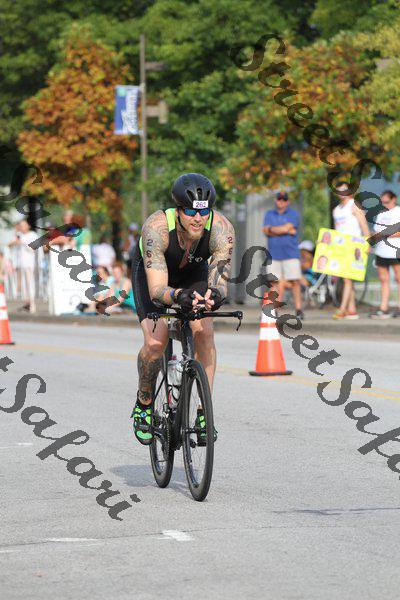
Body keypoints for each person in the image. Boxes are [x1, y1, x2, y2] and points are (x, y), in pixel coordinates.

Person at [124, 173, 234, 445]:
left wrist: (216, 295)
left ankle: (203, 414)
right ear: (178, 210)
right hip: (154, 273)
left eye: (204, 212)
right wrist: (177, 295)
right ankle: (144, 403)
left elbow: (220, 279)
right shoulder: (157, 227)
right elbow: (157, 290)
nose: (198, 219)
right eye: (190, 212)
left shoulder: (221, 229)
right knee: (155, 342)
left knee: (205, 333)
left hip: (192, 272)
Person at [263, 191, 303, 319]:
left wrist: (273, 229)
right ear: (276, 200)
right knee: (273, 283)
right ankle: (273, 311)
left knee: (294, 281)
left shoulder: (293, 214)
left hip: (291, 253)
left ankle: (298, 310)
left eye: (284, 199)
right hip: (274, 254)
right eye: (279, 199)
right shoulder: (269, 214)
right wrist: (284, 229)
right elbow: (266, 230)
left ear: (288, 201)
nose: (281, 201)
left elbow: (285, 228)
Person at [332, 182, 370, 320]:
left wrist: (367, 243)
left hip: (355, 246)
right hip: (341, 246)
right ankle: (352, 310)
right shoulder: (336, 210)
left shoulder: (354, 205)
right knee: (346, 278)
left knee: (347, 278)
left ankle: (342, 309)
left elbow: (364, 225)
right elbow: (337, 230)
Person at [369, 190, 400, 319]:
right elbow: (376, 231)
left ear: (394, 199)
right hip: (381, 251)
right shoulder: (381, 213)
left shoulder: (398, 211)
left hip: (395, 250)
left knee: (399, 279)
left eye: (386, 202)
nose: (384, 204)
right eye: (382, 202)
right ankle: (383, 308)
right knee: (383, 279)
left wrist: (385, 234)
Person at [8, 219, 38, 311]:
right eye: (20, 225)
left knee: (29, 283)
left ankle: (32, 303)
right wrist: (15, 240)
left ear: (28, 226)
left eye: (23, 225)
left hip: (29, 263)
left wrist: (22, 242)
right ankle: (27, 303)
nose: (21, 227)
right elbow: (9, 245)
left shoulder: (33, 235)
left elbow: (34, 247)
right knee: (23, 285)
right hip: (20, 264)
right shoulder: (18, 235)